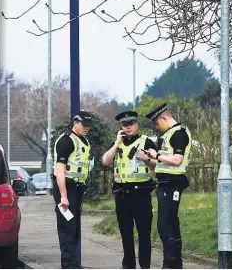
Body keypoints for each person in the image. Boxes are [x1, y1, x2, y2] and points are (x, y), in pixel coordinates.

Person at [102, 111, 158, 269]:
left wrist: (147, 159)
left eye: (131, 125)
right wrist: (115, 144)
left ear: (137, 125)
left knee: (144, 234)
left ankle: (145, 266)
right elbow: (106, 161)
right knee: (126, 234)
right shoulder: (117, 144)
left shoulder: (147, 142)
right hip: (122, 195)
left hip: (141, 194)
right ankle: (128, 266)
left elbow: (157, 164)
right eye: (125, 126)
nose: (128, 128)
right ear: (121, 128)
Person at [144, 103, 192, 269]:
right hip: (165, 183)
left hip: (173, 183)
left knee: (167, 224)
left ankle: (172, 264)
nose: (157, 127)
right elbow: (161, 163)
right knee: (167, 224)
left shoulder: (179, 133)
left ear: (164, 117)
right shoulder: (168, 135)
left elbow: (177, 160)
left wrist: (156, 154)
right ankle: (172, 263)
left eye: (157, 123)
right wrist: (147, 159)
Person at [52, 110, 93, 269]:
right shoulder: (66, 141)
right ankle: (68, 266)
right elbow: (60, 170)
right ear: (75, 123)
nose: (87, 127)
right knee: (67, 229)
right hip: (66, 189)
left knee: (74, 230)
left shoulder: (83, 141)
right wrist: (63, 196)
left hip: (76, 189)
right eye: (84, 124)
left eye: (88, 125)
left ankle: (73, 264)